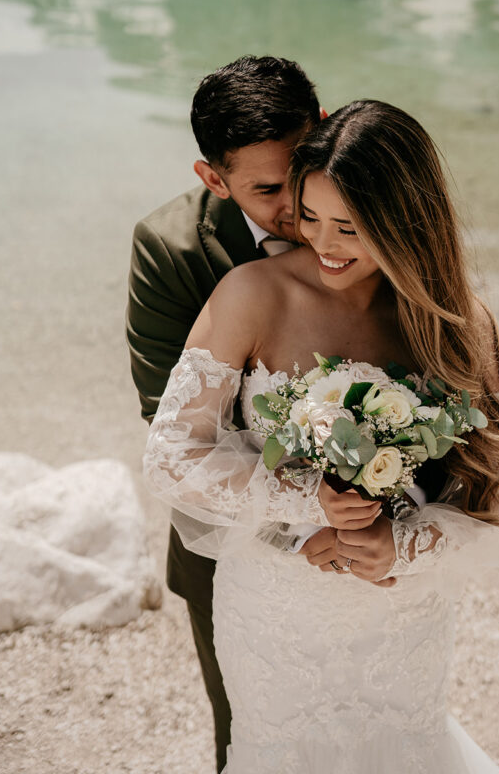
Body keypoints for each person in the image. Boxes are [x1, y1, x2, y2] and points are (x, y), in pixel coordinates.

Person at [143, 100, 499, 774]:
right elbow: (171, 456)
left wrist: (404, 546)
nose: (323, 244)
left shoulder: (456, 320)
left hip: (404, 614)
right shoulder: (252, 294)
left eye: (350, 227)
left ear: (404, 223)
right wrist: (305, 507)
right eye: (310, 216)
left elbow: (497, 499)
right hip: (277, 607)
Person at [126, 55, 321, 771]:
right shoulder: (169, 247)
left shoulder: (373, 210)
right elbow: (171, 426)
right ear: (213, 178)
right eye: (268, 189)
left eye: (302, 170)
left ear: (323, 130)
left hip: (374, 541)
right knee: (248, 734)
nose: (298, 206)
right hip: (230, 546)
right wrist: (295, 530)